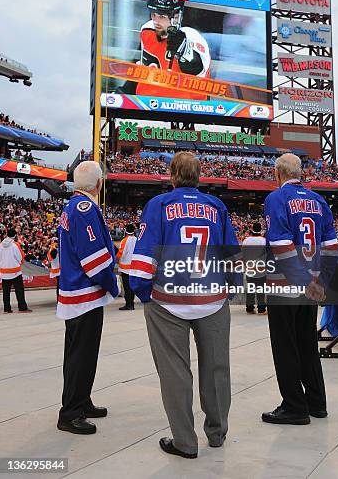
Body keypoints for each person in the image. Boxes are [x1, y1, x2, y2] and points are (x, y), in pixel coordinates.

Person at [130, 152, 240, 459]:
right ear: (199, 175)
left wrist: (142, 292)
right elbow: (232, 255)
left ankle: (185, 442)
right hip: (212, 298)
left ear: (172, 175)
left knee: (175, 373)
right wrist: (231, 288)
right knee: (217, 369)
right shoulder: (216, 206)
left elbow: (143, 259)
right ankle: (217, 434)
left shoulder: (159, 205)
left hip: (169, 301)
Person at [262, 153, 338, 425]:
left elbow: (282, 247)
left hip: (286, 284)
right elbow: (332, 247)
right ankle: (317, 402)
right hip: (312, 285)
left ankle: (294, 405)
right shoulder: (319, 201)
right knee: (307, 343)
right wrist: (320, 283)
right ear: (300, 174)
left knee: (285, 346)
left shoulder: (276, 199)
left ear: (277, 174)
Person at [57, 161, 119, 435]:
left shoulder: (74, 206)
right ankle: (70, 412)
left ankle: (81, 400)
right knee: (81, 354)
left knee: (80, 353)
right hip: (84, 294)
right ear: (98, 184)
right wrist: (112, 285)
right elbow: (94, 259)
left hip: (78, 292)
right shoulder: (84, 209)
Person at [123, 0, 211, 99]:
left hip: (182, 107)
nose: (156, 21)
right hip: (146, 104)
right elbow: (141, 68)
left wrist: (184, 51)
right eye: (153, 15)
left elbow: (197, 73)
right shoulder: (147, 30)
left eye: (162, 16)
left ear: (176, 17)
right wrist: (124, 91)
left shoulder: (193, 37)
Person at [0, 228, 31, 313]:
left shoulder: (0, 245)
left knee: (6, 292)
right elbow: (20, 258)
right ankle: (22, 307)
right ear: (14, 235)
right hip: (15, 271)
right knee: (19, 290)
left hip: (4, 272)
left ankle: (7, 309)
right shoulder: (15, 245)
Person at [243, 221, 267, 315]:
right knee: (261, 289)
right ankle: (261, 309)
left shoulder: (246, 241)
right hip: (261, 268)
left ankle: (249, 308)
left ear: (252, 229)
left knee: (250, 289)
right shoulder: (264, 241)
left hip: (249, 268)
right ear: (261, 230)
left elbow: (243, 255)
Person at [116, 223, 137, 310]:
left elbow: (120, 253)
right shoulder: (137, 240)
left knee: (127, 287)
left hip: (125, 268)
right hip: (135, 267)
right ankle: (131, 302)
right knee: (132, 287)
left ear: (126, 231)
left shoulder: (124, 241)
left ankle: (129, 304)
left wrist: (116, 260)